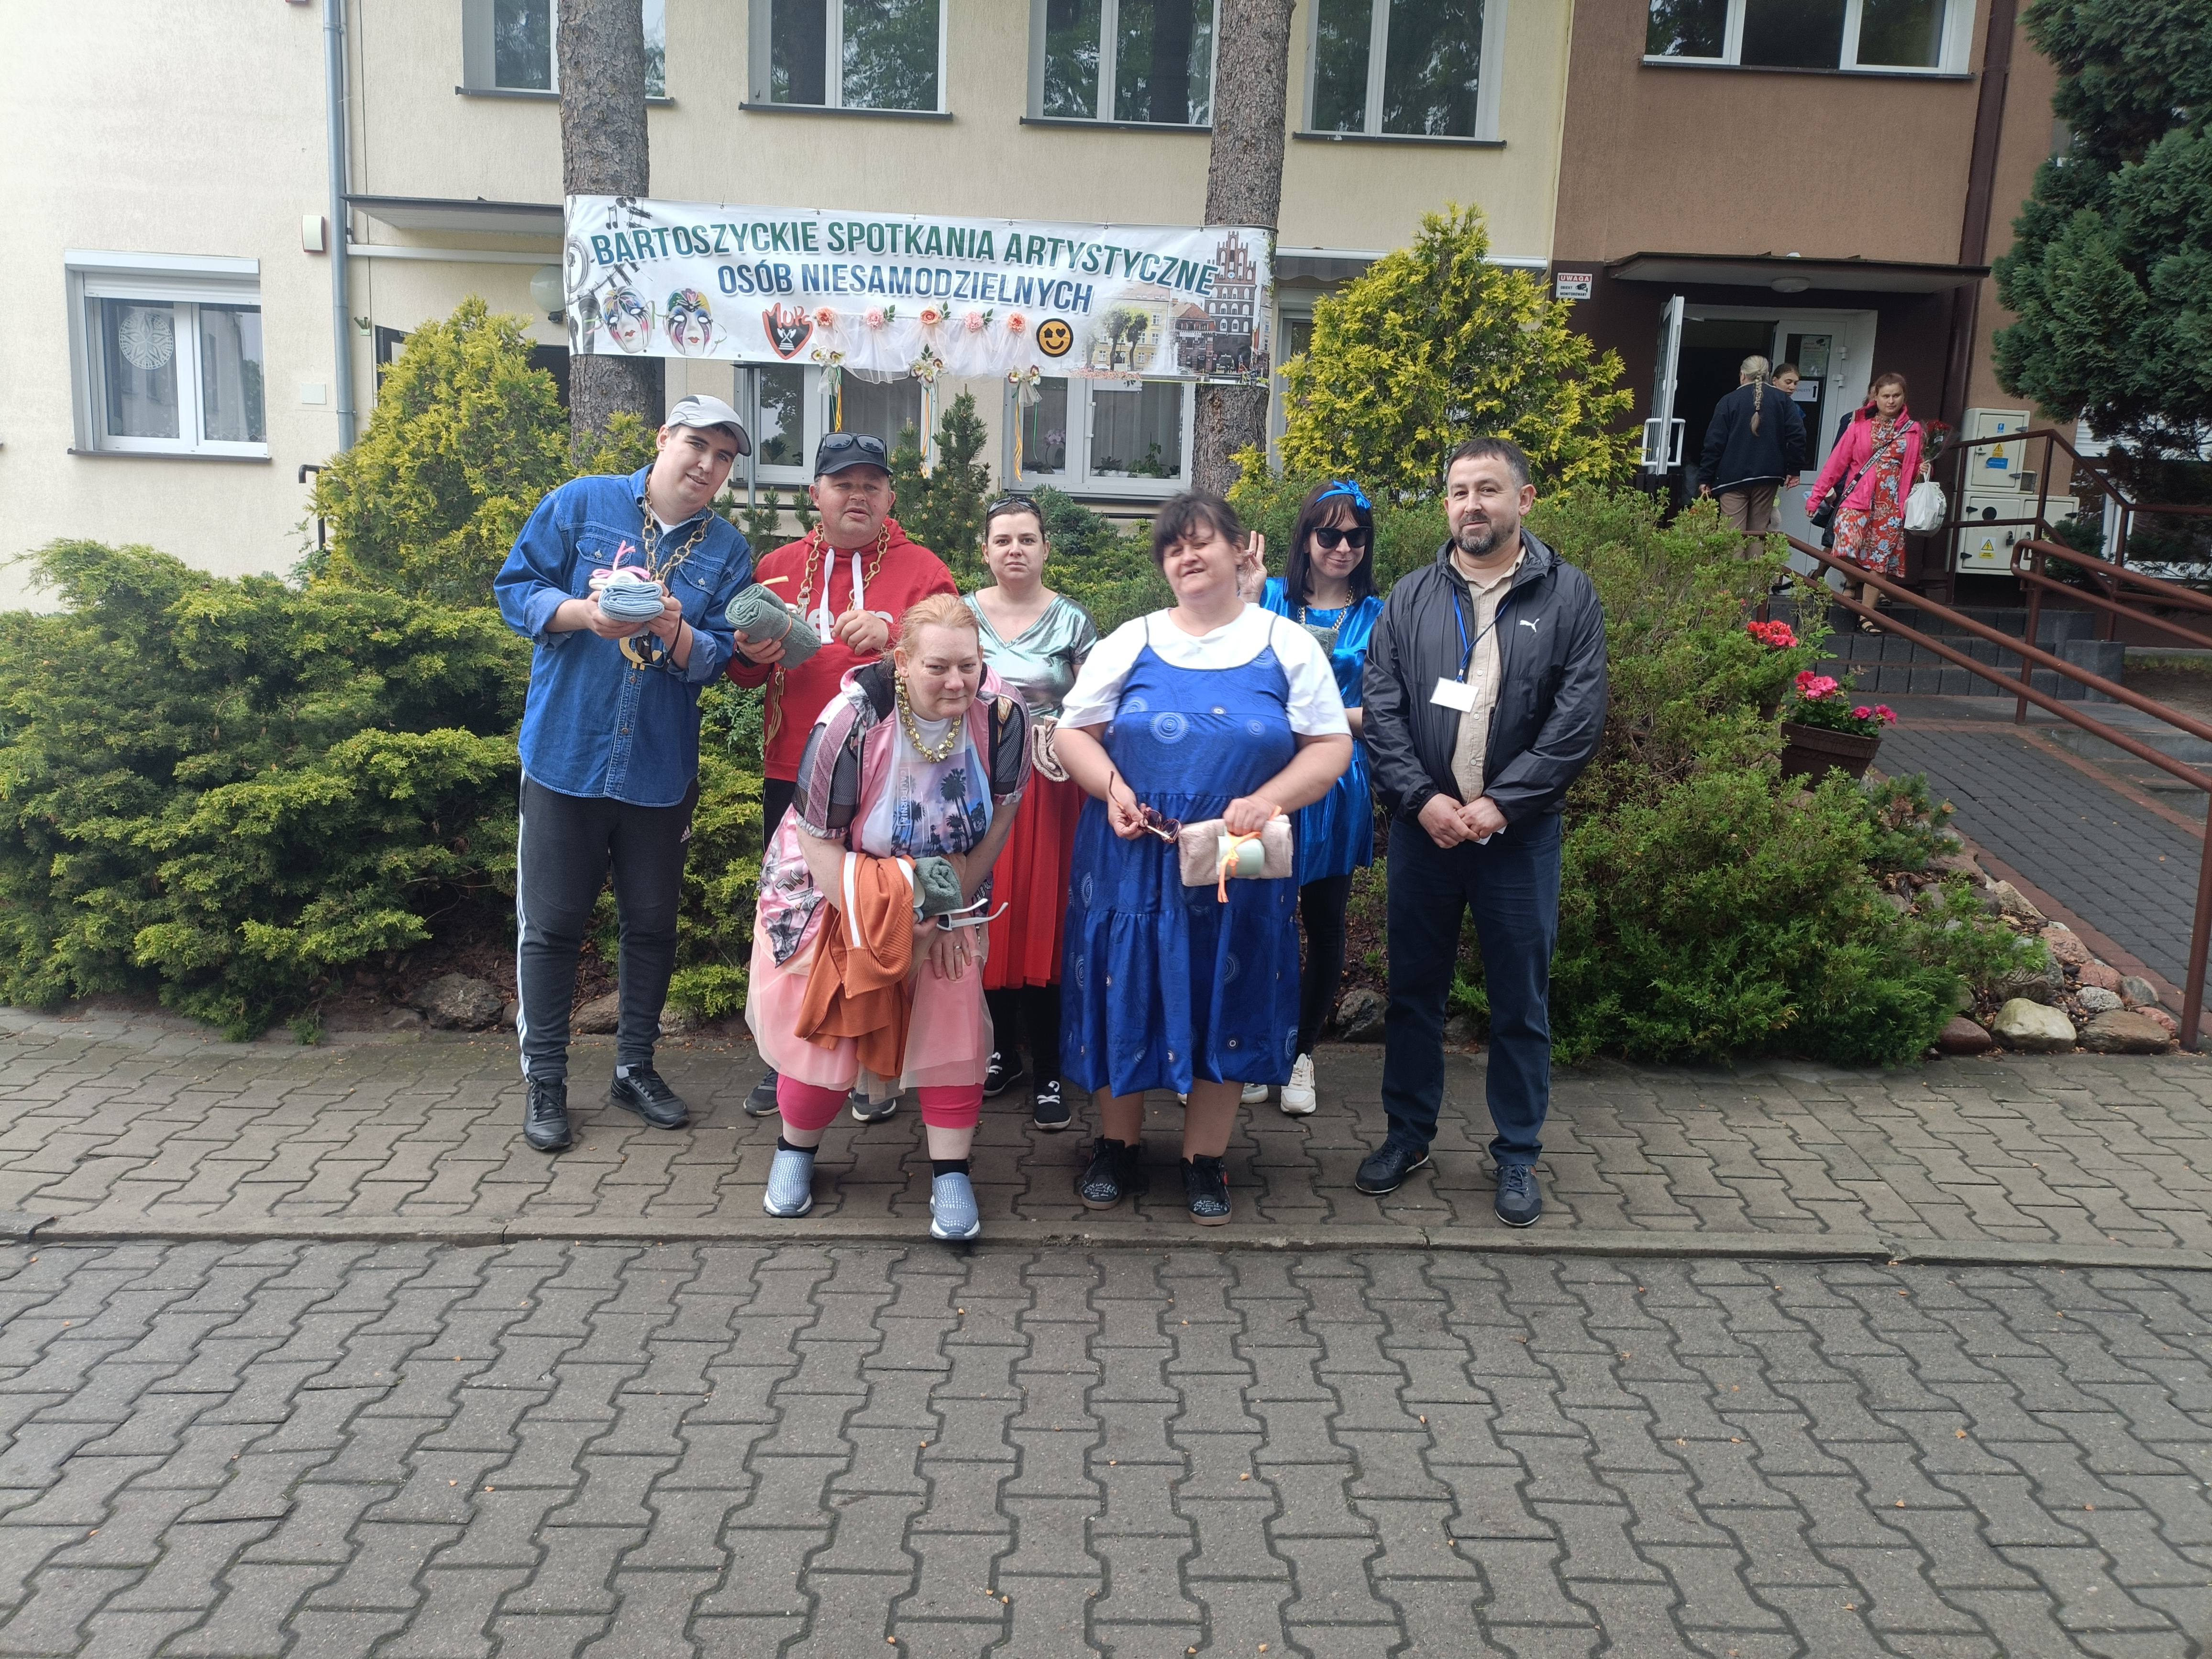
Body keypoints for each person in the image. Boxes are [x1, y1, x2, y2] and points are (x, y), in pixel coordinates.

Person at [1053, 493, 1353, 1226]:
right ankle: (1118, 1147)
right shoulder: (1131, 640)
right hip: (1131, 856)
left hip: (1234, 860)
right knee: (1125, 984)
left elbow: (1331, 747)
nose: (1187, 557)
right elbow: (1072, 732)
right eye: (1173, 548)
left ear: (1239, 549)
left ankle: (1204, 1158)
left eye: (1201, 542)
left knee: (1230, 985)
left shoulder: (1287, 644)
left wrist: (1270, 799)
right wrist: (1114, 789)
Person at [493, 395, 763, 1155]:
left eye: (723, 456)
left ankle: (633, 1069)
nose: (707, 465)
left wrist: (676, 629)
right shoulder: (581, 504)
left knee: (650, 927)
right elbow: (516, 590)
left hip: (657, 769)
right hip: (566, 757)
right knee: (552, 927)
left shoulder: (727, 550)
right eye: (697, 445)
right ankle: (547, 1080)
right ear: (663, 439)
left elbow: (723, 658)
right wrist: (584, 615)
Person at [1358, 438, 1606, 1227]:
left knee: (1519, 1002)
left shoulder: (1569, 596)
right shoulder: (1410, 597)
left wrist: (1503, 803)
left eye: (1488, 489)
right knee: (1413, 994)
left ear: (1522, 500)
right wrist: (1421, 799)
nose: (1472, 504)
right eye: (1460, 491)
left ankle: (1517, 1153)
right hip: (1424, 834)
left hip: (1517, 839)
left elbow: (1576, 720)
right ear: (1446, 505)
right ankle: (1407, 1135)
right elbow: (1383, 709)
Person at [747, 595, 1030, 1240]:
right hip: (838, 883)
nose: (957, 682)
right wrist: (881, 931)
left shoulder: (1003, 714)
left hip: (948, 881)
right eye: (938, 667)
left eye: (969, 666)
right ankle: (795, 1151)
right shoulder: (850, 720)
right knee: (833, 1023)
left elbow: (1003, 813)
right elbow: (818, 837)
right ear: (902, 662)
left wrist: (946, 906)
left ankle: (951, 1173)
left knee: (952, 1020)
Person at [729, 431, 959, 1120]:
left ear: (890, 496)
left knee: (878, 915)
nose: (857, 496)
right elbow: (744, 677)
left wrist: (895, 640)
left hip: (890, 775)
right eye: (842, 484)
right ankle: (786, 1057)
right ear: (816, 494)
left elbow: (956, 669)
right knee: (794, 917)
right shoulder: (776, 566)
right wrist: (750, 654)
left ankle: (875, 1067)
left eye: (870, 485)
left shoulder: (924, 570)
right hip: (795, 769)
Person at [966, 498, 1099, 1132]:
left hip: (1050, 790)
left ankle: (1050, 1067)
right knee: (987, 914)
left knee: (1044, 921)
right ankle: (1000, 1054)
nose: (1014, 549)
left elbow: (1099, 705)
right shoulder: (959, 615)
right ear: (985, 550)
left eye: (1026, 539)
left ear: (1046, 548)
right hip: (975, 786)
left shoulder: (1073, 620)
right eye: (1003, 539)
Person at [1256, 481, 1385, 1117]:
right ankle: (1257, 1046)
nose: (1342, 547)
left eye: (1356, 537)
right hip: (1267, 781)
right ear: (1306, 536)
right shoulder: (1269, 597)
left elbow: (1386, 709)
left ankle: (1301, 1053)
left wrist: (1315, 720)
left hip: (1338, 785)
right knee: (1258, 917)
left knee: (1324, 922)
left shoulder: (1378, 615)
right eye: (1329, 534)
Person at [1805, 371, 1932, 629]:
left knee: (1879, 563)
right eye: (1886, 396)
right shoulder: (1859, 426)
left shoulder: (1913, 431)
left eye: (1896, 395)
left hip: (1891, 506)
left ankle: (1867, 616)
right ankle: (1854, 582)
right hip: (1857, 500)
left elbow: (1915, 467)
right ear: (1876, 397)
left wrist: (1925, 469)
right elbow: (1835, 465)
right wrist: (1816, 497)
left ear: (1904, 397)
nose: (1891, 401)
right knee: (1842, 550)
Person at [1697, 354, 1805, 533]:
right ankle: (1756, 553)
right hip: (1768, 475)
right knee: (1758, 534)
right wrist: (1794, 469)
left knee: (1733, 536)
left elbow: (1714, 444)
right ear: (1767, 376)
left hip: (1732, 477)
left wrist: (1705, 477)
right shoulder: (1783, 400)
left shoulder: (1729, 401)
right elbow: (1798, 435)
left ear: (1742, 375)